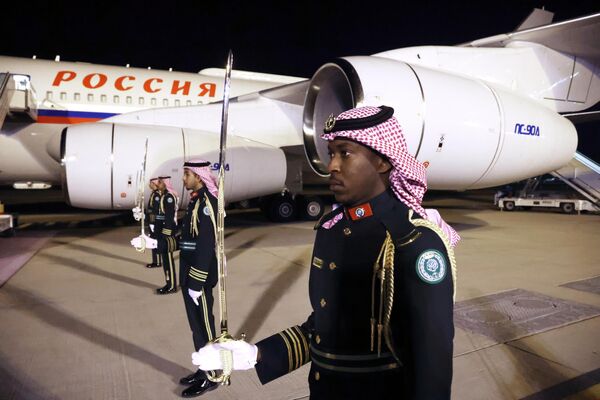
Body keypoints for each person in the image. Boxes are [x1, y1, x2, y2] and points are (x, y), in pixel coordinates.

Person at [192, 106, 459, 399]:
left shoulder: (413, 240)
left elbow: (430, 359)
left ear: (383, 161)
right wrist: (256, 354)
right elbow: (322, 329)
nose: (331, 165)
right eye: (331, 153)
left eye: (345, 153)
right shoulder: (333, 230)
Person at [132, 160, 220, 397]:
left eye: (187, 174)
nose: (183, 179)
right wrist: (154, 243)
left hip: (198, 277)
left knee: (205, 327)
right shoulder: (194, 201)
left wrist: (198, 282)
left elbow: (205, 245)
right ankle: (203, 369)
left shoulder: (206, 204)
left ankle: (212, 375)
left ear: (199, 177)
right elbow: (184, 239)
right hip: (190, 275)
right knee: (196, 328)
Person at [154, 175, 179, 294]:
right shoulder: (163, 196)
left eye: (160, 182)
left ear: (165, 183)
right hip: (162, 230)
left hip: (167, 231)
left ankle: (172, 285)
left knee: (168, 259)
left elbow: (169, 217)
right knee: (165, 259)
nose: (158, 184)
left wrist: (166, 233)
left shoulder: (169, 197)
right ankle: (168, 283)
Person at [146, 178, 162, 268]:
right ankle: (155, 261)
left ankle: (158, 262)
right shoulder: (154, 194)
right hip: (152, 220)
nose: (150, 185)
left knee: (155, 241)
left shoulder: (156, 195)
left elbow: (155, 211)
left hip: (154, 221)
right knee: (153, 241)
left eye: (151, 183)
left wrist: (153, 222)